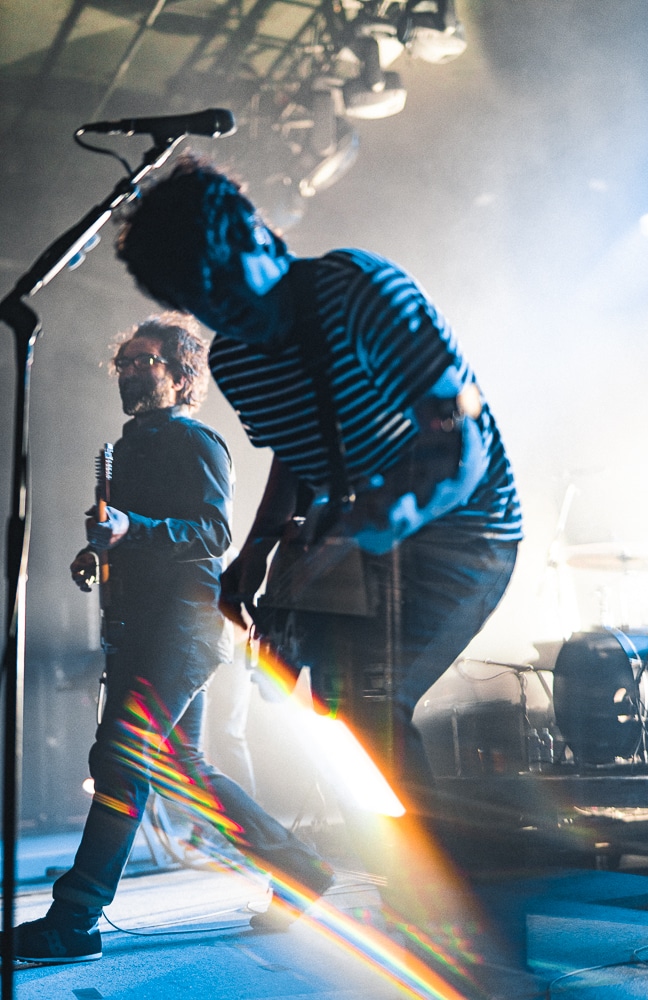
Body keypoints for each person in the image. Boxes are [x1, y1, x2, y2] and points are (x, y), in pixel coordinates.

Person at [114, 154, 523, 804]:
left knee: (373, 702)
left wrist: (371, 526)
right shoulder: (236, 359)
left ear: (254, 232)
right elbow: (298, 454)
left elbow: (457, 440)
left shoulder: (358, 291)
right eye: (197, 300)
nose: (222, 311)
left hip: (465, 528)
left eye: (221, 284)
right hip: (365, 540)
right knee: (332, 710)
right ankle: (386, 854)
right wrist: (255, 553)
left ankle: (469, 862)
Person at [14, 313, 333, 965]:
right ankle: (299, 867)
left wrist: (133, 529)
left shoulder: (197, 441)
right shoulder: (126, 446)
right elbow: (135, 534)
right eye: (124, 362)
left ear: (183, 375)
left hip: (184, 626)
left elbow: (214, 534)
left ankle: (76, 918)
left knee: (120, 756)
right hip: (145, 628)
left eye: (144, 361)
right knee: (184, 769)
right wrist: (97, 553)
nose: (129, 372)